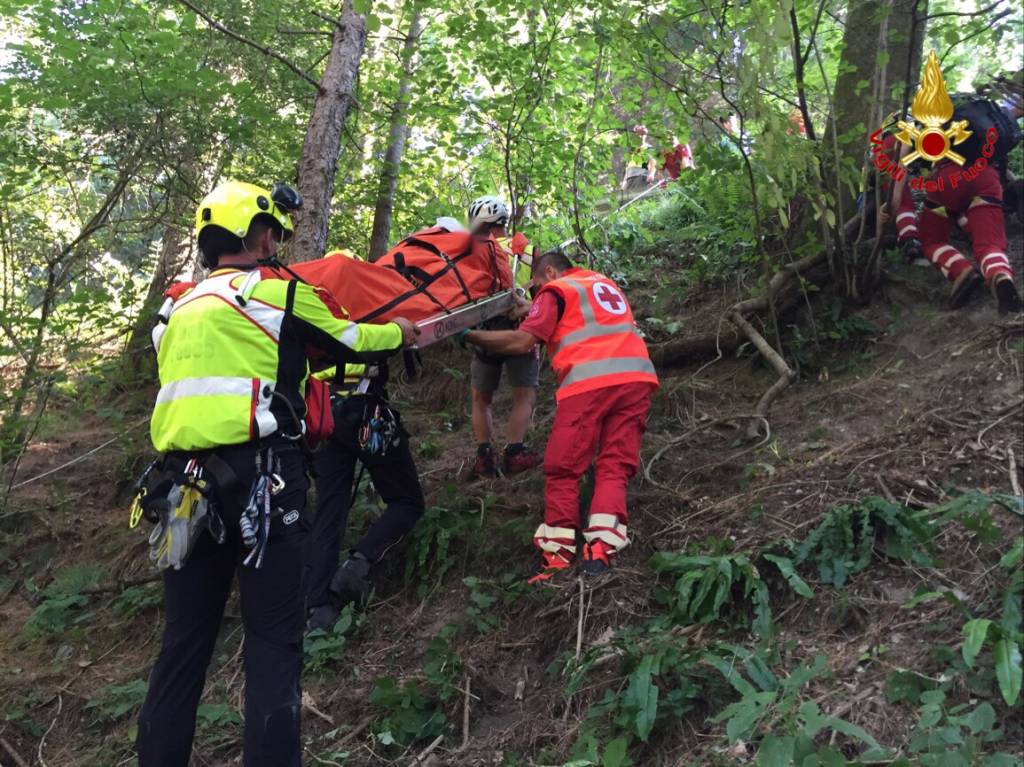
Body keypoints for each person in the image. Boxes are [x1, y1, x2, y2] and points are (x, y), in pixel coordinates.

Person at [135, 180, 417, 766]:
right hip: (262, 482)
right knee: (273, 644)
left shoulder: (176, 309)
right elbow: (351, 337)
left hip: (181, 487)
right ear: (260, 235)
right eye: (273, 234)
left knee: (182, 648)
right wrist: (403, 332)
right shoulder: (273, 291)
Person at [463, 251, 659, 583]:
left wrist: (467, 334)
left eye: (537, 287)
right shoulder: (600, 282)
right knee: (614, 465)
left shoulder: (556, 290)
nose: (537, 295)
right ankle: (600, 551)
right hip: (636, 379)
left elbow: (523, 341)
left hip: (589, 383)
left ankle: (558, 554)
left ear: (550, 273)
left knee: (563, 468)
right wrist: (533, 309)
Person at [304, 354, 425, 631]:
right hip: (364, 410)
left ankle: (317, 608)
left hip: (322, 410)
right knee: (407, 502)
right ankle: (357, 565)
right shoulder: (369, 310)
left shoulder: (309, 312)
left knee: (330, 509)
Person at [466, 195, 542, 478]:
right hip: (520, 328)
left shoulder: (469, 251)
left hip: (484, 333)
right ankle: (515, 451)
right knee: (524, 395)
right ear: (504, 222)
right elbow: (542, 292)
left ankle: (484, 455)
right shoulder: (527, 250)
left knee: (480, 398)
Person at [918, 159, 1023, 313]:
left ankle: (960, 270)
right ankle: (1000, 275)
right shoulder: (985, 134)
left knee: (932, 240)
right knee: (989, 244)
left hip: (946, 182)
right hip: (985, 176)